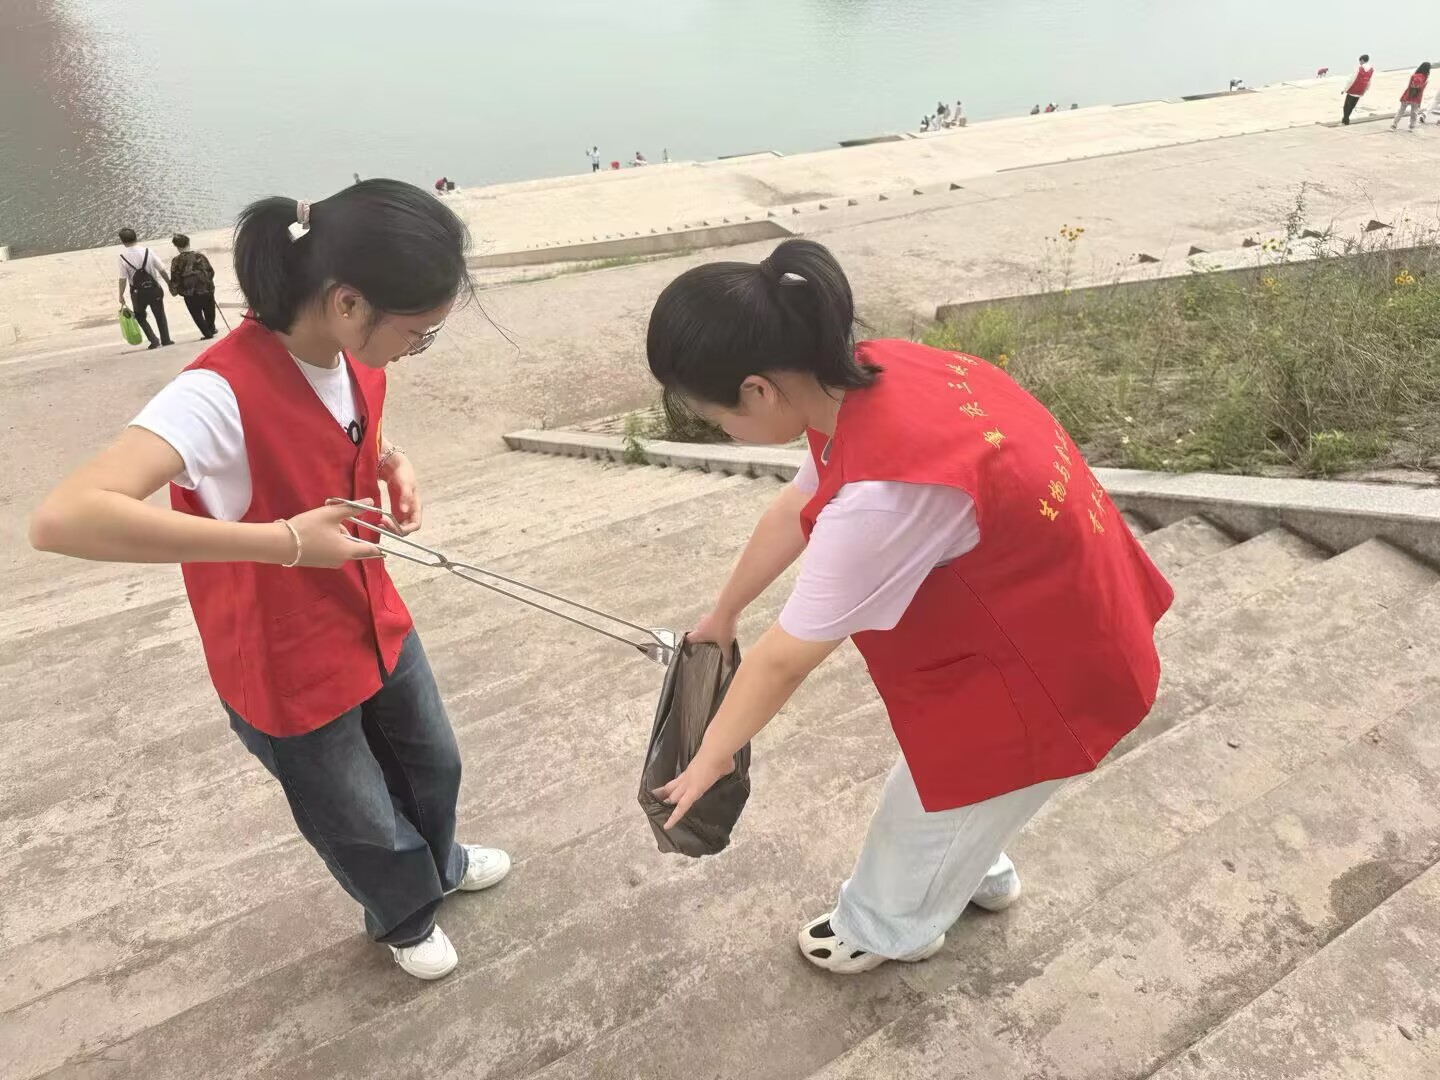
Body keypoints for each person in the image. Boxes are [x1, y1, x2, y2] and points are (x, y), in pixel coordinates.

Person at [644, 239, 1172, 974]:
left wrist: (713, 753)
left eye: (715, 418)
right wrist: (724, 614)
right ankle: (975, 871)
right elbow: (798, 505)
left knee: (934, 804)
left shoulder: (884, 497)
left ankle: (886, 928)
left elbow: (786, 658)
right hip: (1052, 608)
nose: (722, 432)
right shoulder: (867, 373)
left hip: (1049, 666)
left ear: (758, 390)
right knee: (969, 786)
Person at [32, 179, 510, 982]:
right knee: (354, 811)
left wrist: (390, 460)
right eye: (416, 334)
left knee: (432, 761)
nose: (414, 349)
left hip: (369, 612)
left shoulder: (355, 357)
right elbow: (64, 518)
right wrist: (282, 540)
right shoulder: (216, 393)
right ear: (348, 302)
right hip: (282, 650)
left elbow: (347, 427)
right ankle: (404, 913)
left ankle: (443, 862)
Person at [116, 228, 175, 350]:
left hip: (137, 293)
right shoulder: (148, 251)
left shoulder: (122, 257)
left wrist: (120, 295)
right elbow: (161, 269)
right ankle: (166, 339)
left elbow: (123, 278)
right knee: (160, 315)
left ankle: (154, 340)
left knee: (140, 316)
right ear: (136, 237)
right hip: (154, 289)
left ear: (122, 241)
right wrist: (169, 284)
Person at [170, 234, 218, 339]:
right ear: (189, 243)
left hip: (189, 293)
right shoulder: (200, 256)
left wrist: (175, 291)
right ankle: (211, 328)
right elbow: (211, 271)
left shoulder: (176, 261)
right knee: (209, 310)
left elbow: (175, 278)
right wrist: (208, 282)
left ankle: (207, 333)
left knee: (196, 314)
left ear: (177, 247)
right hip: (206, 289)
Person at [1394, 62, 1431, 130]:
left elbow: (1409, 87)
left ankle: (1394, 124)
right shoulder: (1426, 79)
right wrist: (1420, 101)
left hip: (1407, 96)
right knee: (1414, 113)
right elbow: (1421, 91)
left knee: (1401, 111)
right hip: (1416, 98)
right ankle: (1412, 126)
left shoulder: (1414, 75)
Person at [1342, 54, 1374, 124]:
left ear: (1362, 60)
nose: (1360, 63)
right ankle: (1345, 120)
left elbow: (1352, 79)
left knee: (1346, 107)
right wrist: (1365, 90)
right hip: (1360, 91)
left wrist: (1345, 89)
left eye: (1360, 61)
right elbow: (1369, 81)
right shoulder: (1371, 69)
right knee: (1352, 106)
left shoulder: (1359, 68)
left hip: (1353, 90)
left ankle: (1345, 121)